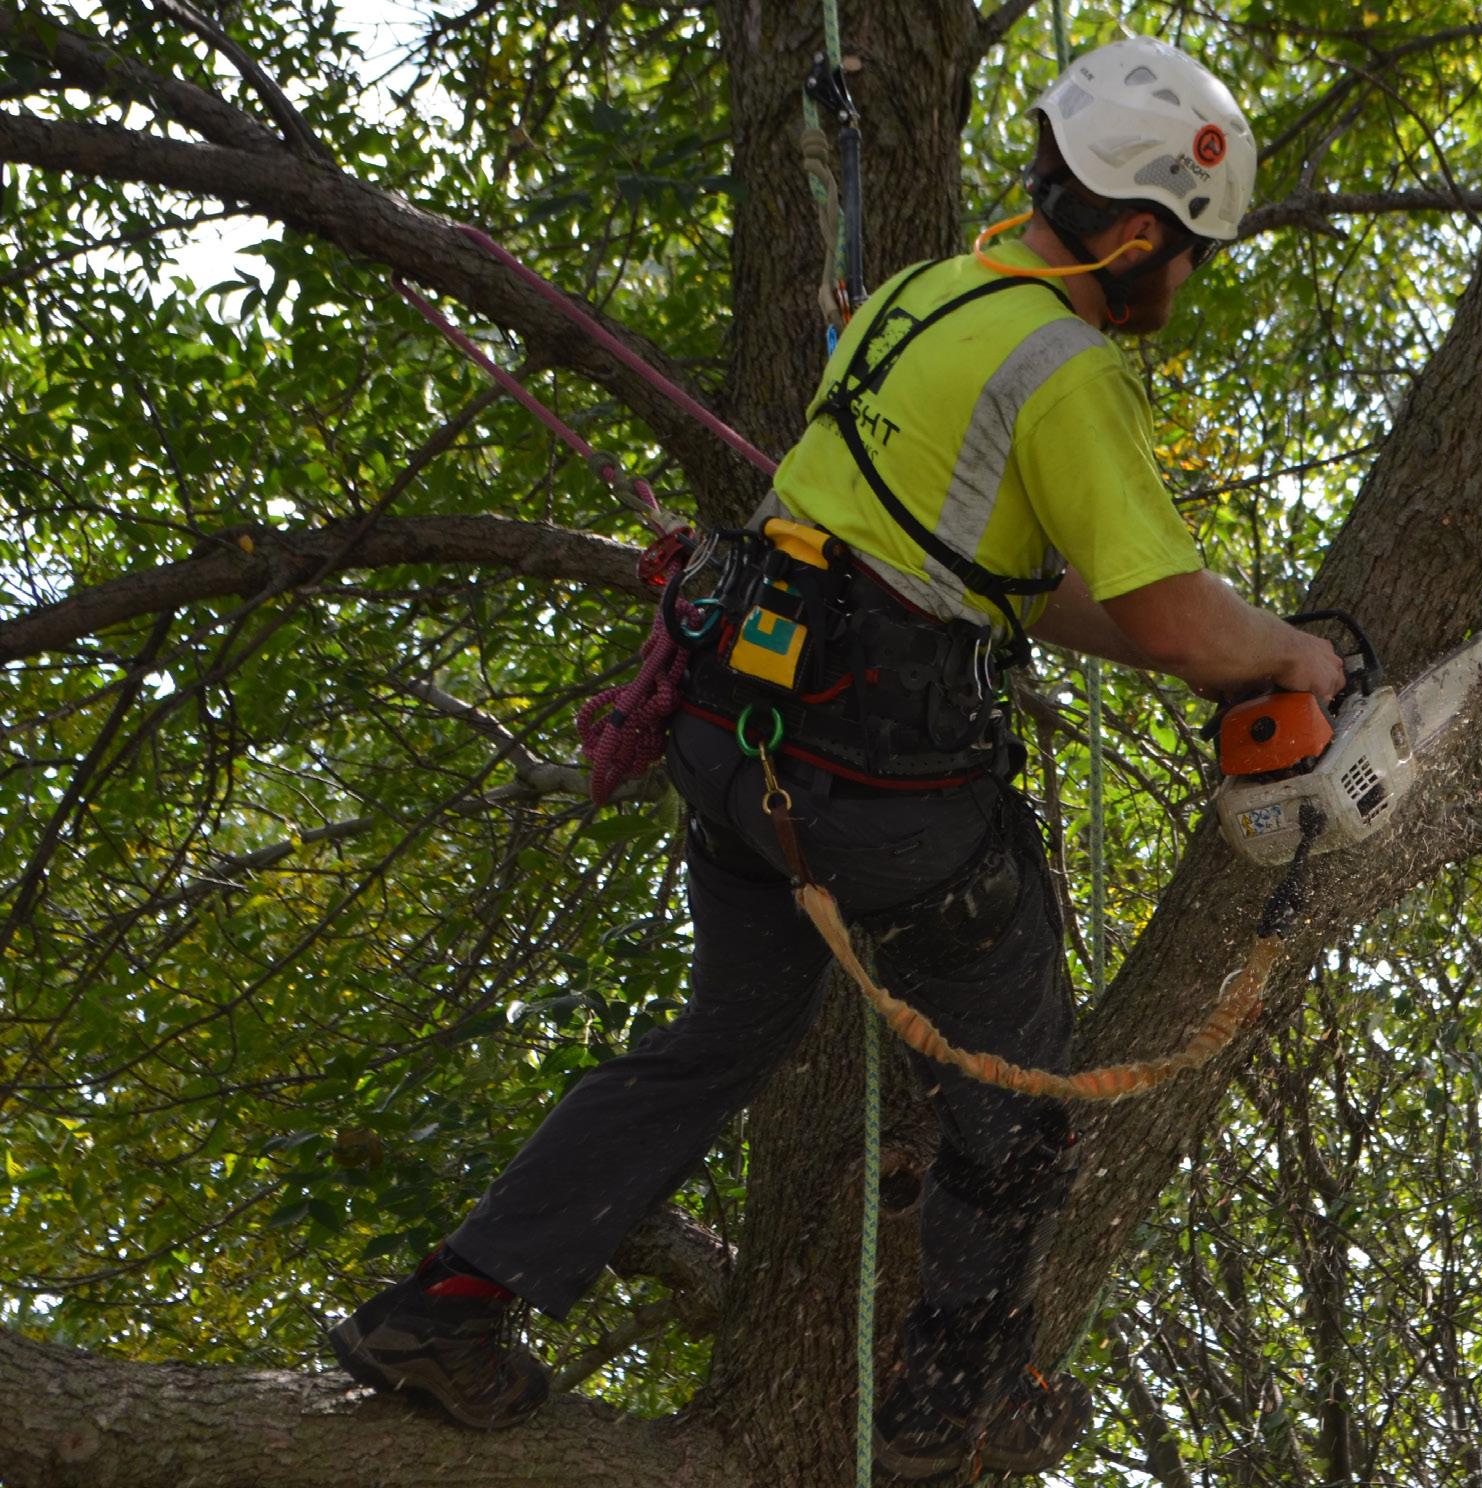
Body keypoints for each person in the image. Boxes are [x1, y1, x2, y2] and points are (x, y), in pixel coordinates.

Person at [327, 34, 1343, 1482]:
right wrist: (1293, 657)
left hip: (738, 738)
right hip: (878, 783)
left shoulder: (928, 297)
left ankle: (452, 1302)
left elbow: (1037, 587)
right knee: (1019, 1074)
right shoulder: (1066, 365)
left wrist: (1234, 648)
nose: (1181, 286)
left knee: (718, 1041)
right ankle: (946, 1399)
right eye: (1187, 255)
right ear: (1136, 234)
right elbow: (1177, 620)